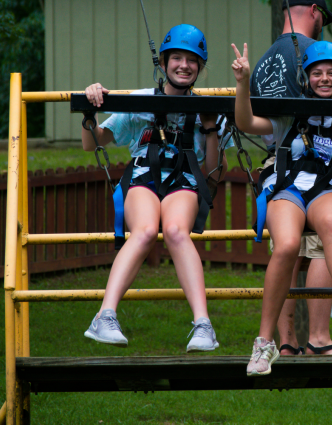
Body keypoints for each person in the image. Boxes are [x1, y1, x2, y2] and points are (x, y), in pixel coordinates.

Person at [232, 40, 332, 375]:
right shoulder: (289, 114)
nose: (325, 79)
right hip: (288, 187)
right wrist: (243, 84)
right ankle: (264, 342)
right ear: (307, 78)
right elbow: (246, 123)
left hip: (325, 188)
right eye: (318, 73)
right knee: (285, 245)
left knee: (331, 223)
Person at [80, 24, 227, 352]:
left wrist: (211, 126)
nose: (184, 65)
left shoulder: (208, 109)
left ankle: (203, 325)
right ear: (163, 63)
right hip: (144, 177)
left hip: (183, 180)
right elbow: (92, 144)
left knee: (176, 231)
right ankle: (104, 316)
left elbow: (215, 169)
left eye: (192, 60)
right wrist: (90, 110)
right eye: (177, 58)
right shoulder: (140, 102)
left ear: (200, 67)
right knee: (145, 231)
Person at [251, 0, 332, 357]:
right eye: (323, 19)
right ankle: (320, 338)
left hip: (275, 165)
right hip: (318, 163)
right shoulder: (316, 56)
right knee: (326, 243)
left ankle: (286, 340)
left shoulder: (261, 63)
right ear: (314, 11)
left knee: (286, 250)